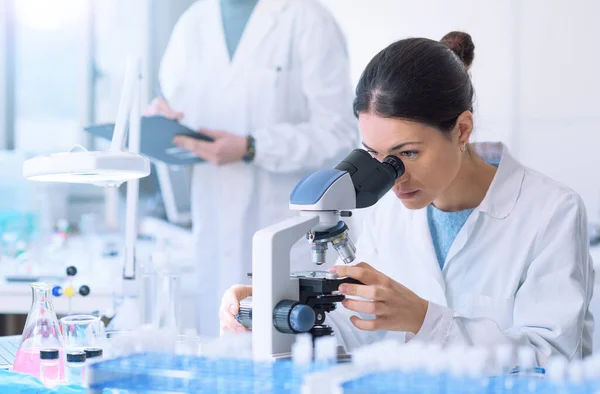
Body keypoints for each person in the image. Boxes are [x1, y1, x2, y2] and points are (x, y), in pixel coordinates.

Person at [219, 31, 594, 363]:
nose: (392, 178)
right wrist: (275, 313)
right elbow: (358, 327)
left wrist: (424, 319)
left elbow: (550, 360)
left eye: (408, 154)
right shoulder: (389, 211)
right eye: (376, 157)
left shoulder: (551, 212)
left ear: (462, 130)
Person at [145, 0, 358, 336]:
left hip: (287, 229)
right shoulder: (192, 23)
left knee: (289, 354)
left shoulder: (306, 19)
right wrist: (163, 119)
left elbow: (340, 132)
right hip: (215, 225)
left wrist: (253, 147)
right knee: (221, 355)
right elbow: (174, 106)